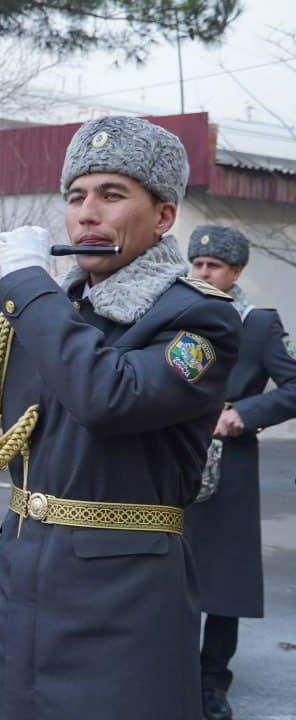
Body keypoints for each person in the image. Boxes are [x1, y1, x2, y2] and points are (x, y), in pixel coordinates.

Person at [0, 116, 242, 720]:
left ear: (164, 217)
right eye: (75, 197)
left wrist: (26, 289)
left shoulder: (198, 318)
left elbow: (107, 396)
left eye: (111, 195)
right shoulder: (56, 311)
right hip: (25, 579)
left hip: (122, 596)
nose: (86, 214)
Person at [182, 224, 296, 720]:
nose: (204, 273)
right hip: (174, 452)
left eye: (215, 267)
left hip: (231, 459)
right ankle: (171, 666)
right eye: (198, 264)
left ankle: (213, 680)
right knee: (168, 567)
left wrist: (243, 413)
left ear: (237, 271)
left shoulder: (260, 323)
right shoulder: (175, 310)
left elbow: (293, 387)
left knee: (223, 576)